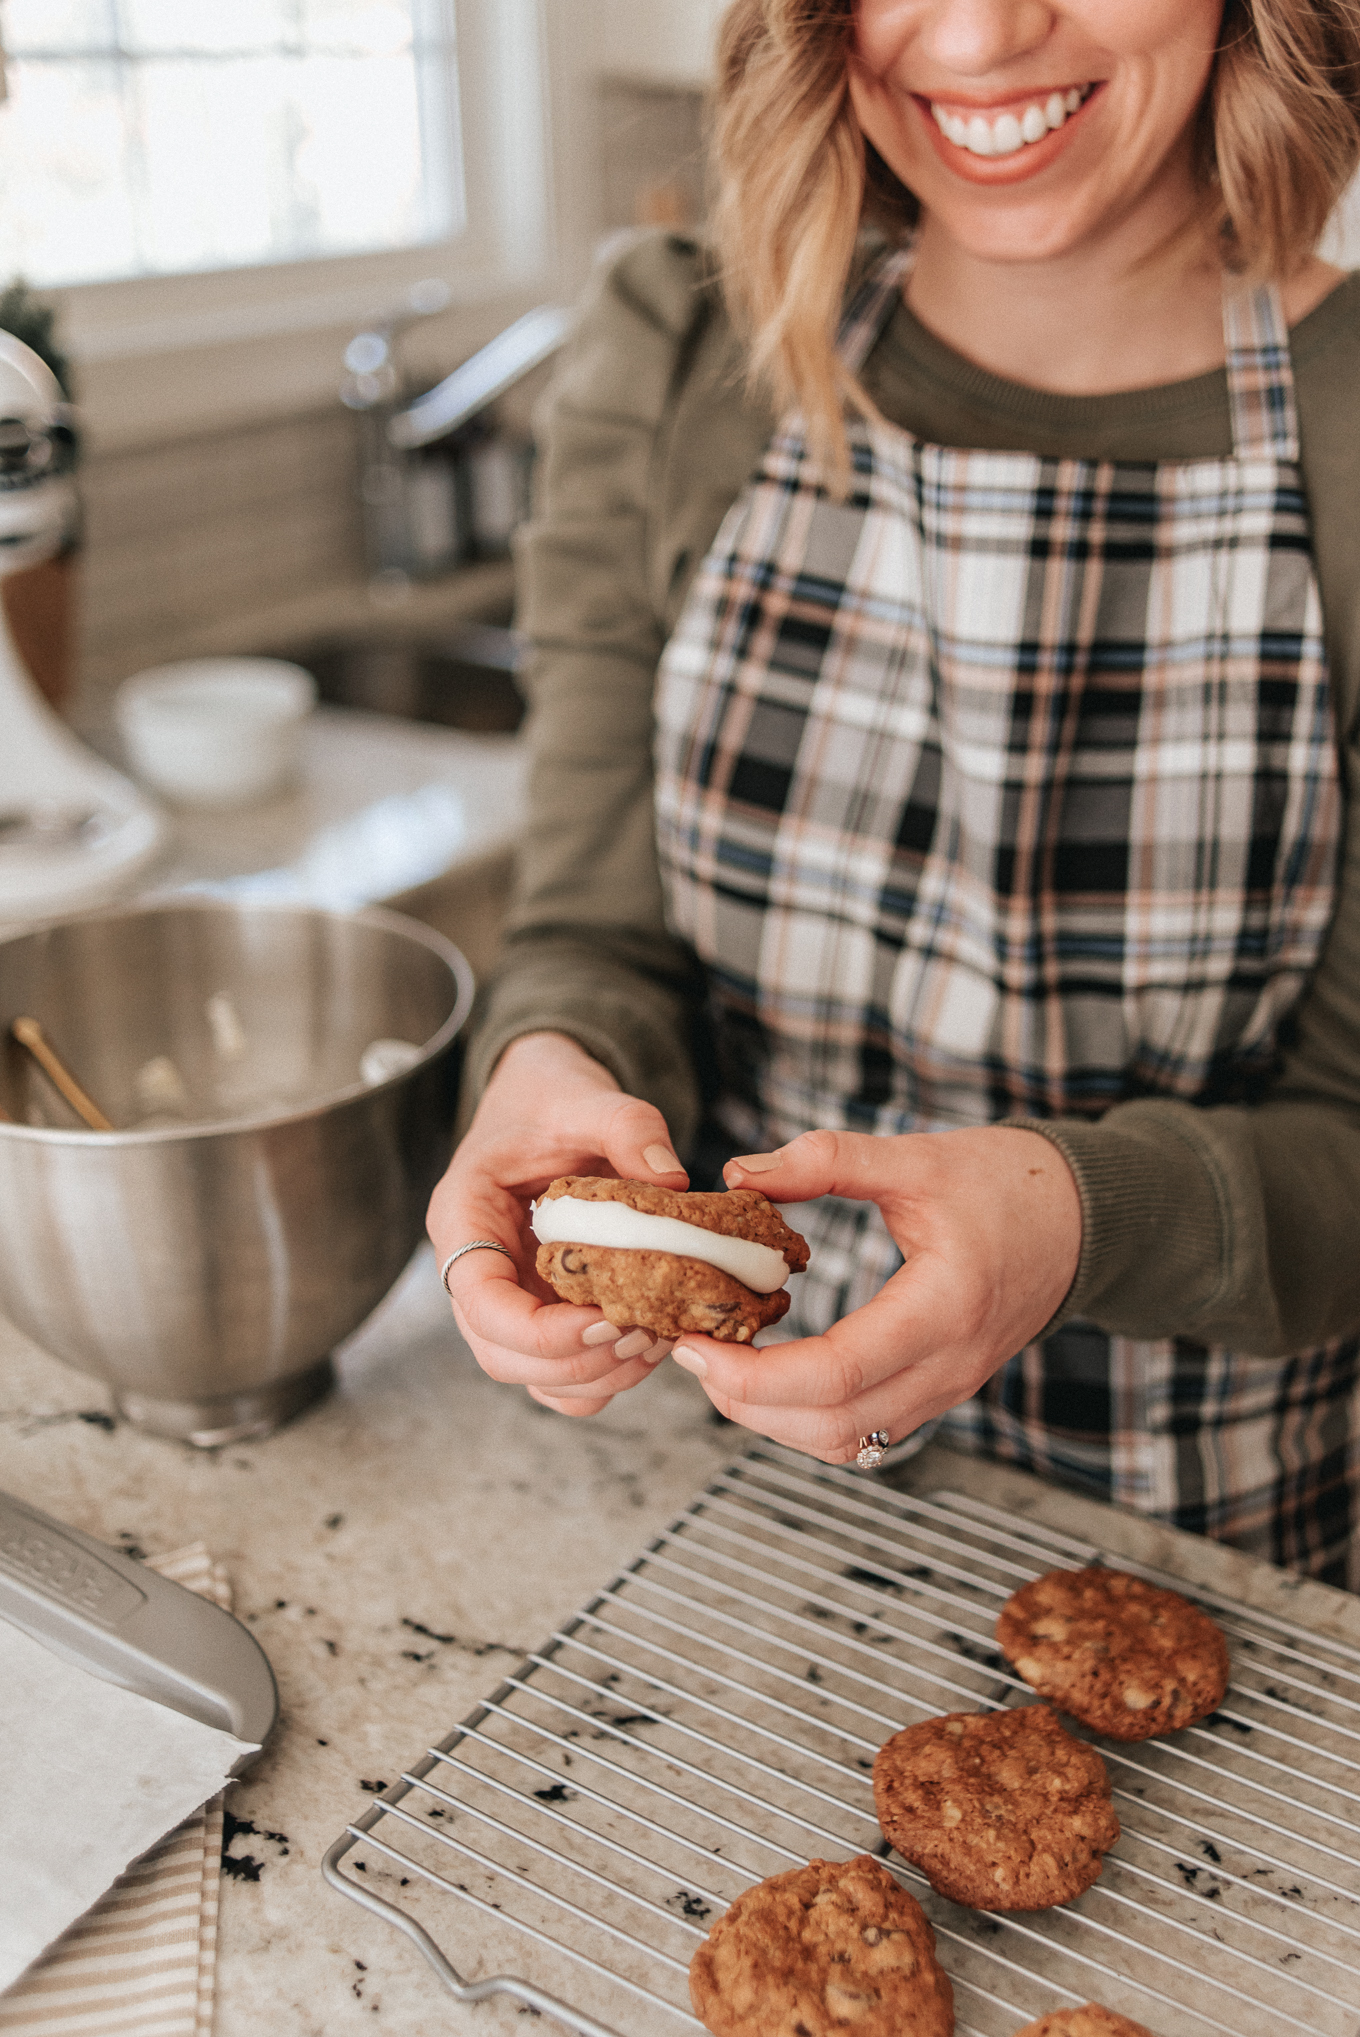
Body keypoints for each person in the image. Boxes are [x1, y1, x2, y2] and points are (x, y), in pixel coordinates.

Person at [429, 0, 1360, 1589]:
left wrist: (1077, 1219)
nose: (985, 32)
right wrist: (545, 1064)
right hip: (708, 1504)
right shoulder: (676, 358)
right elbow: (595, 930)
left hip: (1190, 1550)